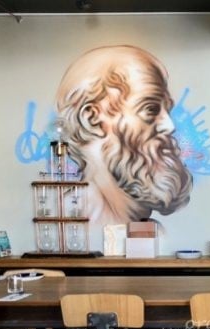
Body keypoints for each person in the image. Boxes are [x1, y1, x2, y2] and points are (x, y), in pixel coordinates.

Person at [56, 45, 193, 224]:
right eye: (150, 109)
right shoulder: (75, 222)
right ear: (91, 119)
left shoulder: (148, 228)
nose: (169, 126)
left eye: (167, 109)